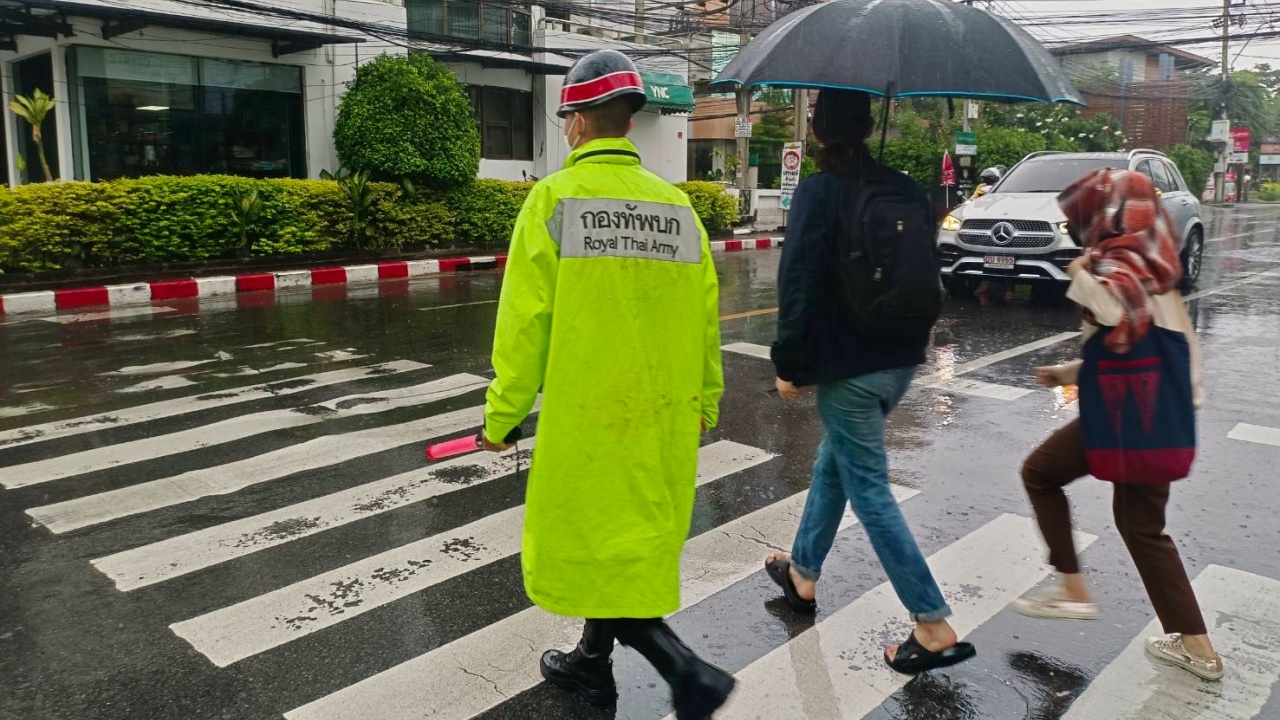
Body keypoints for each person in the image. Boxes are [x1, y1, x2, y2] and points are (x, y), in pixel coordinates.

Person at [480, 49, 735, 718]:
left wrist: (501, 415)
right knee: (625, 547)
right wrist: (706, 400)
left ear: (579, 122)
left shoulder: (554, 199)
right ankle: (591, 665)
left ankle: (686, 672)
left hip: (586, 415)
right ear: (628, 120)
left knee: (593, 546)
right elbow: (706, 319)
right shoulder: (677, 208)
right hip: (661, 412)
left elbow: (523, 325)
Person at [763, 88, 977, 675]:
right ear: (867, 125)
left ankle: (932, 623)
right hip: (903, 358)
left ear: (817, 130)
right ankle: (802, 573)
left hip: (851, 364)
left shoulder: (820, 190)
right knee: (836, 460)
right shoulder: (905, 187)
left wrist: (790, 362)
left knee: (869, 489)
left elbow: (799, 281)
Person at [1012, 168, 1223, 681]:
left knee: (1040, 474)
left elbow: (1110, 311)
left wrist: (1080, 270)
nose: (1082, 226)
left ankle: (1073, 587)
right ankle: (1196, 646)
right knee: (1142, 529)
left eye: (1088, 215)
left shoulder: (1119, 263)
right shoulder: (1159, 267)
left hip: (1126, 420)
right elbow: (1144, 349)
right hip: (1152, 418)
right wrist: (1068, 371)